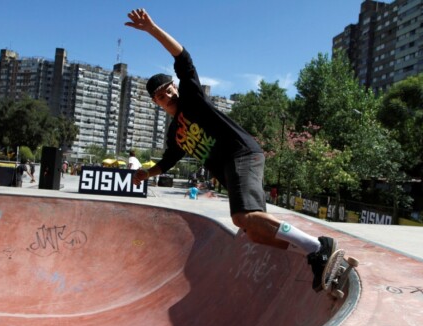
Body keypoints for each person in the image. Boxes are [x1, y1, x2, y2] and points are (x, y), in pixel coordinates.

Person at [126, 8, 337, 292]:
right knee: (254, 233)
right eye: (160, 98)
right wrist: (146, 174)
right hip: (232, 168)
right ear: (158, 104)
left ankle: (318, 246)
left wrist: (153, 30)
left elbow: (183, 59)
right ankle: (313, 255)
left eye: (168, 91)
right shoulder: (174, 133)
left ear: (175, 88)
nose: (167, 97)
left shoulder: (192, 98)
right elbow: (169, 160)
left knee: (241, 218)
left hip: (242, 154)